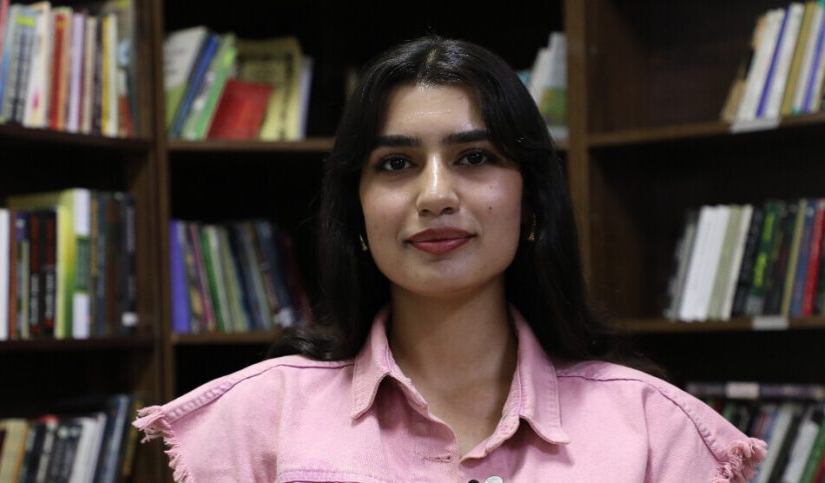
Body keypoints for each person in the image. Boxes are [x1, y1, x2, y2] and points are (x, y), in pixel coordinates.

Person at [134, 36, 766, 482]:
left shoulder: (656, 429)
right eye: (396, 163)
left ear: (530, 198)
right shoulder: (255, 418)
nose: (435, 195)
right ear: (357, 210)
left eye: (475, 157)